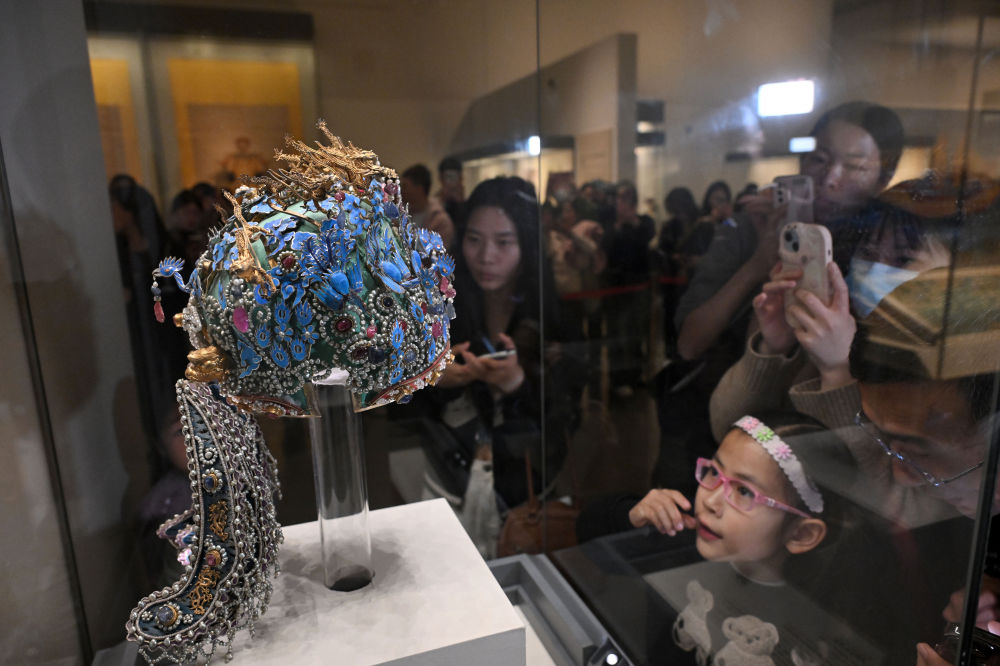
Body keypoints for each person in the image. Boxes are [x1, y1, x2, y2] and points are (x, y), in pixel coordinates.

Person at [627, 413, 872, 664]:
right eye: (714, 472)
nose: (710, 501)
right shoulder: (681, 536)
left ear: (801, 534)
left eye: (744, 491)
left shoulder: (809, 628)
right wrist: (634, 521)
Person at [674, 101, 904, 364]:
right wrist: (757, 265)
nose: (830, 178)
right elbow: (689, 344)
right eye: (819, 159)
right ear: (802, 161)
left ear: (882, 181)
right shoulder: (750, 226)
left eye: (854, 166)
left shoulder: (881, 245)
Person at [428, 176, 582, 515]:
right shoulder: (442, 305)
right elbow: (405, 412)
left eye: (504, 242)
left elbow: (567, 417)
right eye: (474, 239)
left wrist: (517, 385)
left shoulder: (551, 315)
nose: (486, 256)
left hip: (528, 493)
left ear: (526, 245)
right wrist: (435, 378)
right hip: (450, 480)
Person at [603, 180, 656, 396]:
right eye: (618, 198)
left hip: (638, 285)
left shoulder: (644, 222)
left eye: (625, 198)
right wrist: (617, 227)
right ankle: (617, 380)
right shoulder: (610, 225)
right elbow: (606, 250)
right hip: (616, 287)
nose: (620, 203)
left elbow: (645, 242)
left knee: (636, 332)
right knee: (616, 333)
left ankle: (636, 375)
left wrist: (632, 222)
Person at [401, 163, 456, 252]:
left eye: (405, 186)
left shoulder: (441, 221)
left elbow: (437, 254)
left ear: (419, 189)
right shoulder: (403, 213)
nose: (400, 191)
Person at [435, 156, 465, 225]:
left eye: (454, 177)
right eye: (448, 177)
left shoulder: (466, 206)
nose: (451, 181)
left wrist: (461, 204)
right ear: (441, 178)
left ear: (460, 178)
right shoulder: (434, 205)